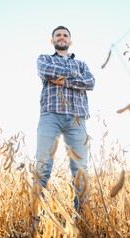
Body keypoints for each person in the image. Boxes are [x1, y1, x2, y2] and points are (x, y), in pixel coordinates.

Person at [34, 25, 95, 213]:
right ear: (52, 41)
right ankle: (36, 217)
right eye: (58, 36)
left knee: (80, 169)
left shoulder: (82, 64)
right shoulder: (44, 59)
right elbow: (47, 71)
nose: (62, 38)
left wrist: (64, 80)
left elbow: (90, 82)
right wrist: (75, 80)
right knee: (43, 166)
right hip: (50, 115)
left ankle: (82, 219)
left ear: (70, 41)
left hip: (77, 117)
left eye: (65, 35)